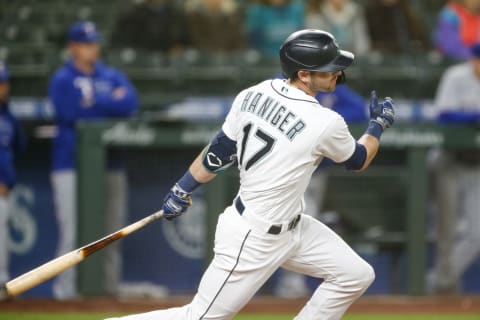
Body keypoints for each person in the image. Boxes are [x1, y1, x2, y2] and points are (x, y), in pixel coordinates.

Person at [105, 29, 395, 320]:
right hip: (253, 236)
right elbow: (359, 159)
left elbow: (217, 152)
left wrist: (183, 187)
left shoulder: (254, 93)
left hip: (295, 228)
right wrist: (377, 125)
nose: (337, 73)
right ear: (304, 75)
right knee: (199, 317)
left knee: (354, 275)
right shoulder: (325, 121)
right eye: (329, 69)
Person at [49, 21, 138, 299]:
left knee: (113, 231)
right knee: (72, 232)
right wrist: (108, 102)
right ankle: (65, 293)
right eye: (86, 43)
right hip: (71, 163)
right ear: (72, 47)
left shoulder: (110, 74)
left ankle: (108, 292)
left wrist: (93, 102)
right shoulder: (62, 79)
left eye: (94, 42)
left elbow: (130, 103)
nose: (92, 48)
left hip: (110, 163)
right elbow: (71, 112)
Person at [428, 42, 480, 293]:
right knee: (445, 230)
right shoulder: (457, 76)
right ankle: (443, 285)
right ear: (473, 59)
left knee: (477, 234)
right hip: (449, 161)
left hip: (476, 164)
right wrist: (474, 117)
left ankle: (440, 281)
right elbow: (444, 114)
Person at [0, 62, 25, 285]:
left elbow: (18, 146)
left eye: (4, 83)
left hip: (5, 189)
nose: (3, 88)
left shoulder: (8, 116)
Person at [110, 0, 189, 53]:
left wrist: (179, 47)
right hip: (141, 64)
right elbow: (121, 44)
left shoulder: (176, 15)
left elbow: (184, 41)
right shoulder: (132, 15)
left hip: (170, 63)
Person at [306, 0, 371, 57]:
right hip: (325, 62)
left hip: (353, 61)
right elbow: (315, 47)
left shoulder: (356, 11)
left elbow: (362, 42)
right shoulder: (316, 14)